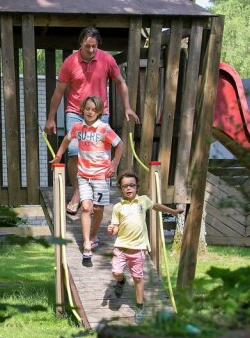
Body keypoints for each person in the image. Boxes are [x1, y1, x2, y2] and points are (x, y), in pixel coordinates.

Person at [44, 26, 139, 253]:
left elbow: (120, 83)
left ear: (98, 45)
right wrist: (50, 118)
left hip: (100, 111)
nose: (90, 50)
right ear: (80, 44)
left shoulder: (106, 60)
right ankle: (77, 192)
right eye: (87, 46)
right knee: (75, 150)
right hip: (75, 111)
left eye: (94, 46)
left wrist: (126, 106)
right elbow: (59, 91)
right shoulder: (70, 62)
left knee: (99, 153)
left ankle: (94, 188)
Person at [50, 95, 122, 266]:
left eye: (94, 110)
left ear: (98, 113)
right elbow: (67, 139)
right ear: (82, 109)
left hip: (101, 176)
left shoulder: (104, 128)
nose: (90, 112)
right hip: (83, 175)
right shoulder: (77, 127)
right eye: (87, 109)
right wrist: (59, 155)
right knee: (86, 207)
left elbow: (120, 144)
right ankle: (87, 244)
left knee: (97, 209)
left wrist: (114, 164)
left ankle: (94, 235)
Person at [107, 171, 185, 324]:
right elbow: (115, 227)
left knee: (137, 278)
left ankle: (139, 306)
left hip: (138, 248)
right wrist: (112, 229)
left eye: (132, 185)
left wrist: (174, 211)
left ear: (137, 187)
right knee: (116, 272)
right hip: (121, 247)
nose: (129, 188)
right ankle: (121, 281)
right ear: (120, 188)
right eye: (125, 186)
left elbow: (156, 206)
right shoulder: (118, 207)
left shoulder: (143, 200)